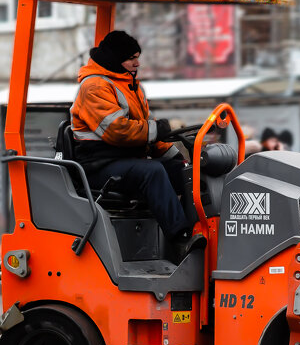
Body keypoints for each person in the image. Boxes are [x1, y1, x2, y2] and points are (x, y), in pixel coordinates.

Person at [70, 30, 204, 257]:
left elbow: (147, 133)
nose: (137, 63)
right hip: (99, 165)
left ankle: (202, 229)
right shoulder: (94, 87)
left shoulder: (130, 85)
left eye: (137, 57)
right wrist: (157, 129)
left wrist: (178, 158)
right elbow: (117, 131)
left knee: (186, 173)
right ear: (115, 58)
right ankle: (181, 239)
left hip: (126, 160)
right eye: (131, 58)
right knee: (151, 171)